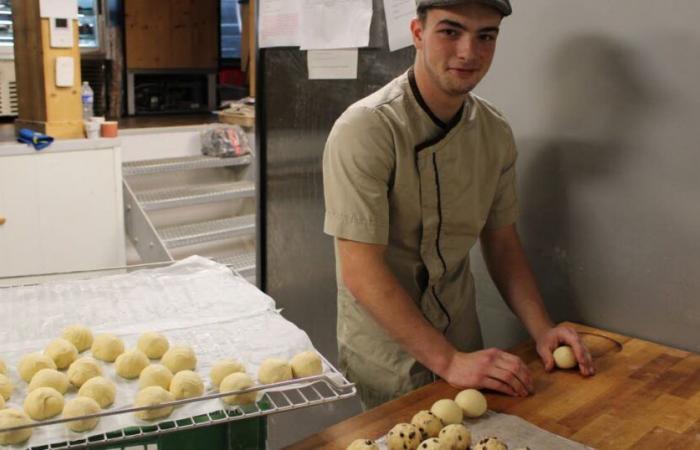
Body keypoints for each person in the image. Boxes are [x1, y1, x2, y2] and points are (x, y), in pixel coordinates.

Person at [322, 0, 595, 409]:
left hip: (463, 338)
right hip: (389, 352)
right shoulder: (366, 129)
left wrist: (542, 329)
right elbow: (360, 270)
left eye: (486, 36)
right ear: (417, 33)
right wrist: (447, 360)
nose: (469, 52)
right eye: (451, 31)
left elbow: (502, 243)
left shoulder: (494, 133)